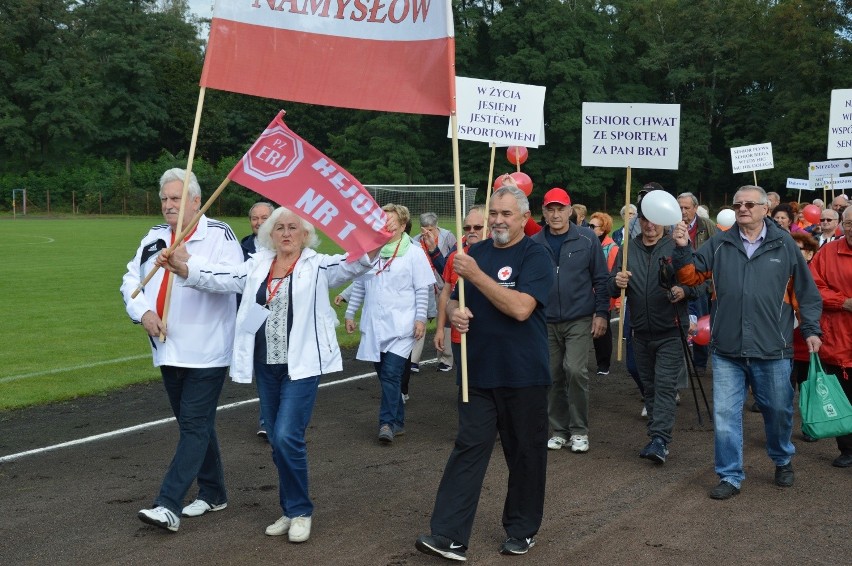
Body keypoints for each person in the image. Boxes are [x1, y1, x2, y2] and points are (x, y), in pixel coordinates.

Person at [159, 206, 385, 542]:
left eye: (293, 228)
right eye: (279, 228)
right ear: (270, 235)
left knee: (285, 436)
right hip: (267, 366)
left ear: (305, 235)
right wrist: (184, 267)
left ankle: (301, 510)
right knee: (279, 444)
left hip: (303, 366)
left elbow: (353, 263)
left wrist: (375, 242)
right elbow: (221, 277)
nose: (286, 233)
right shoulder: (258, 265)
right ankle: (290, 508)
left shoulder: (318, 264)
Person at [415, 186, 553, 561]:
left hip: (524, 375)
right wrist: (458, 314)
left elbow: (521, 308)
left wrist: (476, 275)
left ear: (524, 218)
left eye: (506, 214)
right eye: (494, 213)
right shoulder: (474, 253)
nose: (497, 220)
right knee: (468, 449)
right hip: (477, 372)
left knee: (524, 454)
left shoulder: (536, 255)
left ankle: (522, 529)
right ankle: (449, 535)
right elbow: (463, 303)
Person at [671, 185, 822, 500]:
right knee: (725, 415)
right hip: (727, 348)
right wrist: (684, 247)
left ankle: (782, 458)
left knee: (778, 410)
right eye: (738, 204)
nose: (742, 209)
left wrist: (810, 328)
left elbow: (806, 293)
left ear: (765, 209)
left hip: (773, 348)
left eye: (750, 204)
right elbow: (689, 277)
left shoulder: (784, 244)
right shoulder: (720, 242)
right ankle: (729, 475)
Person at [121, 168, 243, 533]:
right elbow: (131, 281)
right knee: (196, 425)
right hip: (167, 346)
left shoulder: (219, 234)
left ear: (195, 201)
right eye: (164, 199)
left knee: (193, 425)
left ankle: (168, 504)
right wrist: (143, 313)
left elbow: (237, 280)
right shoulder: (155, 236)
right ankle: (214, 492)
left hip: (207, 350)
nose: (168, 205)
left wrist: (189, 266)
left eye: (176, 198)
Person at [610, 192, 697, 464]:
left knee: (664, 385)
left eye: (655, 221)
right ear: (639, 220)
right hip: (640, 330)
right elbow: (609, 285)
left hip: (671, 329)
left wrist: (682, 290)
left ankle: (660, 440)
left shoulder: (677, 246)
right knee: (649, 386)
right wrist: (617, 282)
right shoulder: (627, 250)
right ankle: (655, 435)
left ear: (664, 221)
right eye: (645, 220)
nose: (650, 226)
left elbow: (699, 284)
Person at [345, 204, 434, 443]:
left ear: (403, 225)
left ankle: (386, 423)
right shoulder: (371, 251)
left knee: (391, 375)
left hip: (403, 326)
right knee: (384, 375)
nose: (385, 226)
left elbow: (422, 288)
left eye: (390, 222)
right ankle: (399, 421)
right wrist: (350, 314)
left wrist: (420, 318)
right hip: (375, 325)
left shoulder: (414, 252)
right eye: (382, 222)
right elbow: (360, 285)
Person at [530, 188, 609, 454]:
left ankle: (579, 430)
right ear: (544, 212)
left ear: (569, 211)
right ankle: (559, 430)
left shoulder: (586, 238)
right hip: (545, 319)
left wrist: (602, 313)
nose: (555, 214)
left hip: (579, 317)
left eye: (560, 209)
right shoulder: (535, 241)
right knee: (552, 375)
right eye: (550, 209)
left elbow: (601, 278)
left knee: (575, 370)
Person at [808, 206, 852, 468]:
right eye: (848, 223)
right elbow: (813, 287)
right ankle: (847, 447)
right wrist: (843, 302)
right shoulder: (828, 252)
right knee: (843, 395)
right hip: (839, 336)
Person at [433, 206, 486, 370]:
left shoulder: (498, 256)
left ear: (488, 227)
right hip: (460, 335)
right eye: (467, 228)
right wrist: (440, 329)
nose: (472, 231)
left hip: (489, 336)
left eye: (477, 227)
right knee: (464, 383)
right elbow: (445, 295)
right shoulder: (455, 257)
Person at [240, 201, 275, 440]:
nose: (259, 222)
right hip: (251, 315)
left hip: (279, 316)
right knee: (259, 366)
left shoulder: (284, 245)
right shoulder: (239, 248)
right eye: (255, 218)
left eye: (264, 218)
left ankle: (268, 418)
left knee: (273, 365)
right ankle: (269, 415)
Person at [411, 212, 457, 373]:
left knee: (444, 322)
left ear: (436, 226)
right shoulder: (415, 241)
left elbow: (454, 258)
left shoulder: (448, 237)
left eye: (431, 229)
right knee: (419, 320)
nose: (427, 233)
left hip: (443, 285)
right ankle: (413, 360)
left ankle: (445, 359)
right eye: (424, 229)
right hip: (424, 286)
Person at [677, 192, 716, 374]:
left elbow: (717, 249)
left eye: (686, 207)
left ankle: (700, 362)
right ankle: (678, 362)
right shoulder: (672, 227)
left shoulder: (707, 225)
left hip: (702, 282)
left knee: (700, 320)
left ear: (695, 208)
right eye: (680, 207)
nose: (683, 211)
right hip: (679, 280)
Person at [588, 212, 619, 375]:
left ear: (603, 229)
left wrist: (618, 301)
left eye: (593, 226)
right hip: (587, 295)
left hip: (604, 295)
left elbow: (615, 275)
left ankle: (603, 364)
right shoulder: (589, 245)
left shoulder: (612, 248)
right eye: (589, 225)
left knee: (603, 331)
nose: (589, 228)